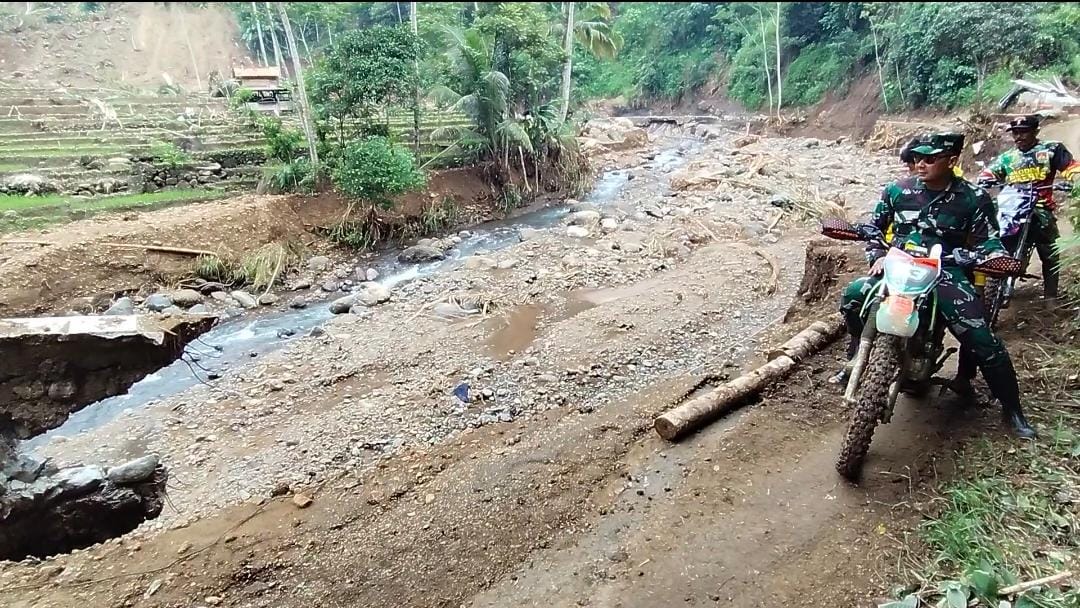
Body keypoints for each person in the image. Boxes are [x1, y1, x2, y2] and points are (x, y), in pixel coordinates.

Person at [833, 132, 1037, 439]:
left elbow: (989, 241)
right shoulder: (897, 190)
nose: (920, 164)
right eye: (916, 158)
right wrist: (877, 253)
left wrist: (993, 257)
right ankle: (856, 354)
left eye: (930, 159)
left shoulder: (973, 198)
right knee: (852, 297)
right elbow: (875, 227)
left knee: (981, 338)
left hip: (945, 271)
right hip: (898, 266)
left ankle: (1012, 409)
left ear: (952, 161)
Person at [977, 114, 1080, 300]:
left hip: (1039, 206)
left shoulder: (1051, 150)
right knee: (992, 236)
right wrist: (985, 179)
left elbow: (1071, 167)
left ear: (1035, 131)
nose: (1019, 137)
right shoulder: (1008, 158)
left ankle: (1050, 297)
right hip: (1012, 207)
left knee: (1049, 250)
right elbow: (988, 172)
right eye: (1016, 133)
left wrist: (1074, 180)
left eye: (1024, 132)